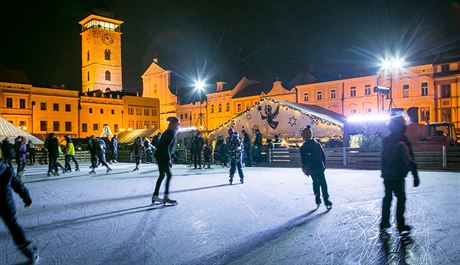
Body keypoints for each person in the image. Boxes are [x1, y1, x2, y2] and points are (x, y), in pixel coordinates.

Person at [380, 115, 420, 234]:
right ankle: (400, 224)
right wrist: (415, 175)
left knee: (388, 198)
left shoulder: (386, 139)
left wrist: (384, 172)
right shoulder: (403, 139)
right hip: (398, 175)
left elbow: (383, 158)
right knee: (401, 198)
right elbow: (410, 158)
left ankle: (384, 222)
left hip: (387, 174)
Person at [0, 154, 39, 263]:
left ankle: (29, 251)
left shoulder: (7, 170)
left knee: (14, 227)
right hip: (6, 205)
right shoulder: (6, 169)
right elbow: (18, 184)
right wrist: (26, 197)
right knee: (14, 228)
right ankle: (28, 251)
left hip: (5, 205)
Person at [300, 125, 332, 209]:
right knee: (323, 182)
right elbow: (323, 155)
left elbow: (303, 161)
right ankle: (326, 199)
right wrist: (324, 165)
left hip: (311, 168)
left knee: (315, 182)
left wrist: (305, 170)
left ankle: (317, 198)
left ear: (304, 137)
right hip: (319, 166)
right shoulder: (317, 144)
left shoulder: (303, 148)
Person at [152, 117, 180, 204]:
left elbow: (166, 146)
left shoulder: (167, 132)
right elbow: (166, 147)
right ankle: (166, 197)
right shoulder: (171, 133)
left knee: (162, 175)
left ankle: (155, 196)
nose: (179, 125)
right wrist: (168, 159)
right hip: (162, 156)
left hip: (160, 155)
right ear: (174, 124)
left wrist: (173, 155)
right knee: (169, 175)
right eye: (178, 123)